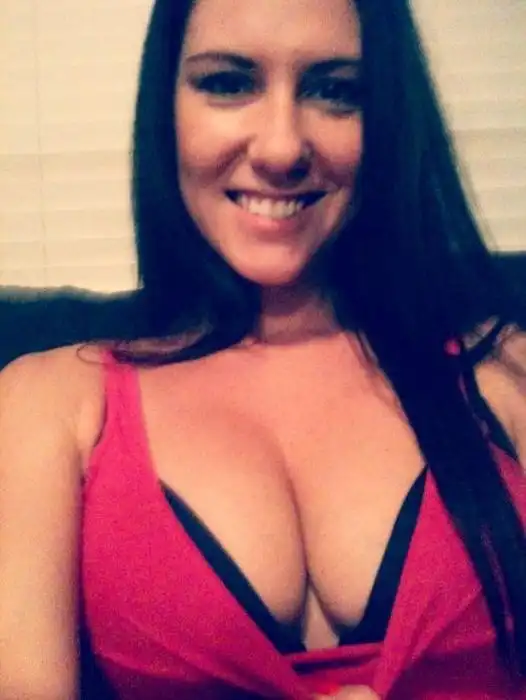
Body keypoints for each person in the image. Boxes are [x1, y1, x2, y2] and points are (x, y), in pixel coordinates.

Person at [0, 0, 525, 698]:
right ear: (167, 110)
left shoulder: (507, 372)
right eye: (228, 82)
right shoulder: (47, 403)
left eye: (335, 91)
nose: (281, 148)